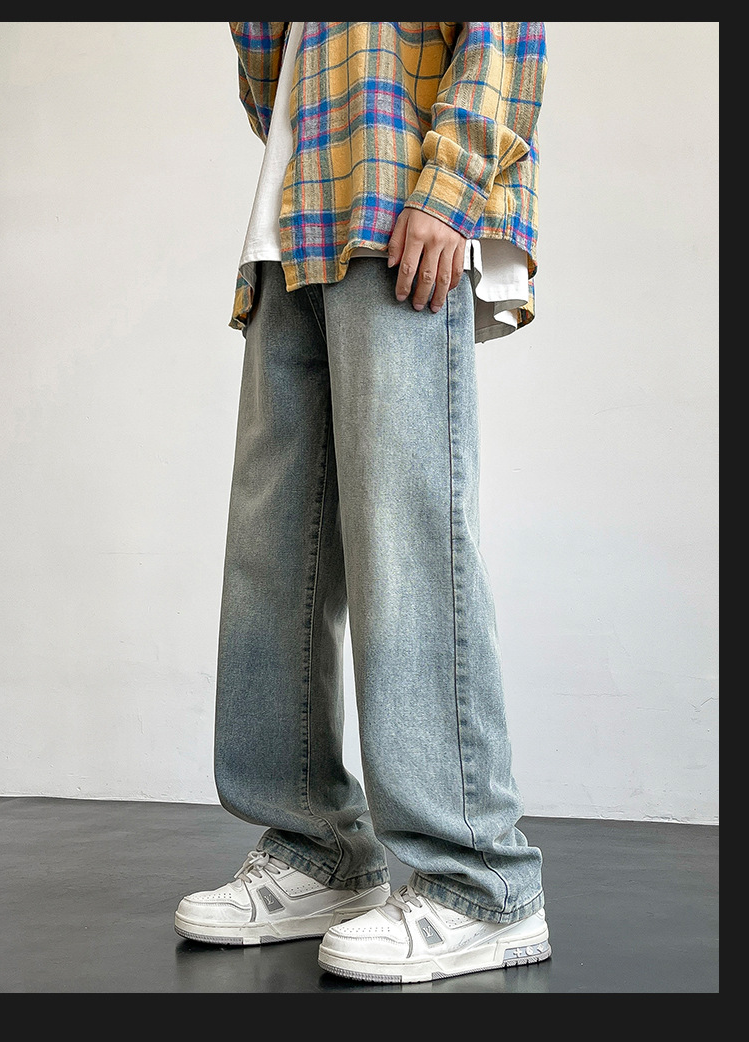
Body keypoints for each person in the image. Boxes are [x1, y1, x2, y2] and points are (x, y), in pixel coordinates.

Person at [175, 21, 550, 985]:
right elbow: (267, 73)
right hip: (292, 220)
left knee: (405, 545)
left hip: (399, 203)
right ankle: (316, 847)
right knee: (272, 557)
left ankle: (481, 881)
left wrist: (450, 186)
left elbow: (506, 30)